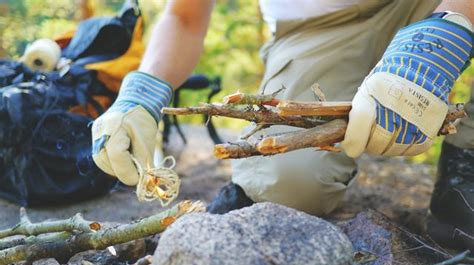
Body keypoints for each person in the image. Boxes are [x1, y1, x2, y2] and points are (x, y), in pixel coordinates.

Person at [91, 0, 473, 250]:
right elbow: (184, 17)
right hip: (319, 30)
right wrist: (141, 92)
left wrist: (452, 26)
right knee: (286, 183)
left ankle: (466, 156)